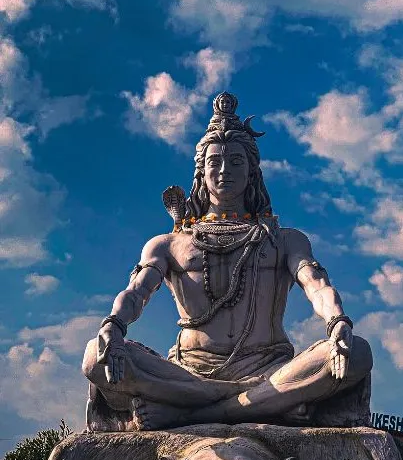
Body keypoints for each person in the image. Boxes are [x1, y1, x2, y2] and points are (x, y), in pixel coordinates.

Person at [82, 92, 372, 431]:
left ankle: (192, 414)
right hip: (190, 372)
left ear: (252, 172)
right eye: (214, 162)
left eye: (236, 162)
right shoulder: (169, 243)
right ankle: (261, 403)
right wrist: (113, 327)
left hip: (268, 367)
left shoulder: (284, 239)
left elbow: (316, 284)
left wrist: (338, 323)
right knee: (94, 357)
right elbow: (137, 292)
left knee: (357, 353)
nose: (224, 171)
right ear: (201, 173)